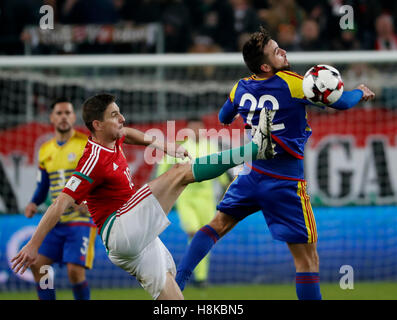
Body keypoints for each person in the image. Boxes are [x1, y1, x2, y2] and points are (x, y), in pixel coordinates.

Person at [175, 27, 376, 300]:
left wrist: (245, 111)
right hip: (286, 184)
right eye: (276, 51)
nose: (283, 51)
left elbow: (224, 116)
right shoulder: (294, 83)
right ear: (266, 65)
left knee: (217, 225)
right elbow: (340, 103)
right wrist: (358, 92)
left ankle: (176, 284)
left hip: (251, 176)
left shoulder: (239, 88)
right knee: (307, 261)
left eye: (278, 45)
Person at [11, 93, 275, 300]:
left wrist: (160, 144)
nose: (122, 118)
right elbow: (60, 202)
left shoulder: (113, 138)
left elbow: (128, 134)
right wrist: (34, 244)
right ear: (97, 124)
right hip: (120, 228)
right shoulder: (92, 159)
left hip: (134, 242)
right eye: (115, 115)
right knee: (181, 172)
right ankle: (255, 148)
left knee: (174, 296)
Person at [24, 97, 96, 300]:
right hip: (55, 221)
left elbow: (98, 178)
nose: (63, 117)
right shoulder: (45, 149)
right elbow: (43, 184)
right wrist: (33, 202)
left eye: (67, 113)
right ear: (52, 118)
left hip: (80, 220)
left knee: (75, 271)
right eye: (59, 113)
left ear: (74, 117)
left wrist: (89, 202)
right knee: (39, 265)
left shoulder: (86, 145)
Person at [156, 117, 230, 287]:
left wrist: (227, 185)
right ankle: (185, 273)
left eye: (199, 128)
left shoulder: (210, 147)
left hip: (206, 197)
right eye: (193, 128)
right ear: (188, 131)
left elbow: (219, 168)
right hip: (185, 197)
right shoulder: (179, 147)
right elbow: (164, 166)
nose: (196, 131)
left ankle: (201, 278)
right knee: (193, 231)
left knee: (206, 235)